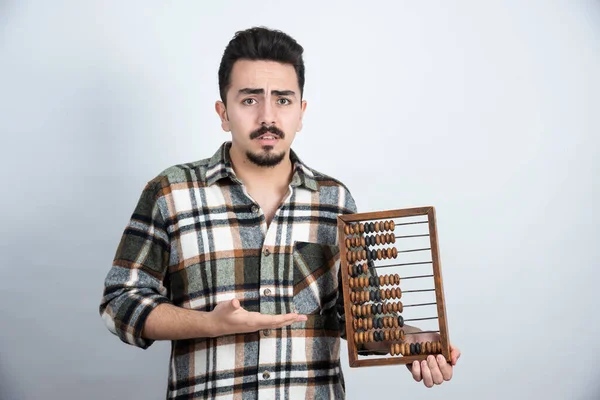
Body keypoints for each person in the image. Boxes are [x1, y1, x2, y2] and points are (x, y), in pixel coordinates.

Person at [99, 26, 460, 399]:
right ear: (223, 112)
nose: (267, 117)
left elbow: (359, 320)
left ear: (301, 113)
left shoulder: (334, 200)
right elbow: (119, 303)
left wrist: (414, 340)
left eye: (283, 100)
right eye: (250, 100)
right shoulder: (171, 193)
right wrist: (209, 324)